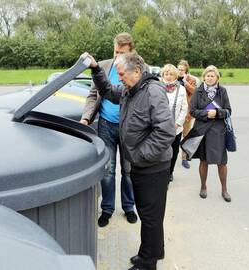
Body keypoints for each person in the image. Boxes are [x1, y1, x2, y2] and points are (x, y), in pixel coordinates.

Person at [87, 52, 175, 270]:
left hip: (153, 166)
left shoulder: (152, 91)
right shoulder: (129, 90)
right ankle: (154, 251)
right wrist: (97, 69)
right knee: (150, 214)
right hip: (143, 164)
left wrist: (138, 155)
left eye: (121, 74)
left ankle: (147, 263)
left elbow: (166, 132)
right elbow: (107, 91)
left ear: (136, 72)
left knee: (150, 215)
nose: (120, 79)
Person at [80, 32, 137, 227]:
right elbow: (92, 95)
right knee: (108, 171)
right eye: (115, 51)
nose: (116, 56)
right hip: (106, 125)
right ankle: (107, 209)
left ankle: (129, 207)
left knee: (129, 171)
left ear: (131, 52)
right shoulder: (103, 66)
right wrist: (86, 117)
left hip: (128, 128)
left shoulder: (138, 69)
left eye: (121, 53)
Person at [187, 65, 232, 202]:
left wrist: (217, 113)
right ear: (204, 77)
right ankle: (203, 187)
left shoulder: (222, 91)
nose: (210, 78)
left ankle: (224, 189)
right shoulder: (198, 91)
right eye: (207, 75)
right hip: (203, 131)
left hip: (219, 132)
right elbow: (193, 111)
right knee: (204, 161)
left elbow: (229, 111)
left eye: (212, 76)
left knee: (222, 162)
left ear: (217, 77)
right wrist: (207, 114)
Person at [160, 64, 188, 182]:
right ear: (163, 75)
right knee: (161, 152)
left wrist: (178, 123)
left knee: (174, 151)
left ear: (175, 75)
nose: (169, 76)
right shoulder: (158, 87)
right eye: (166, 74)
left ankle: (170, 172)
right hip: (160, 128)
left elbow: (184, 108)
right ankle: (161, 172)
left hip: (176, 128)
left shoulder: (181, 89)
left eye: (171, 74)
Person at [177, 60, 200, 169]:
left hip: (186, 113)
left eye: (182, 70)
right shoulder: (173, 77)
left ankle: (184, 158)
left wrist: (185, 82)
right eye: (179, 69)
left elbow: (195, 92)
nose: (180, 71)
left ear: (186, 71)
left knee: (186, 136)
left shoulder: (191, 80)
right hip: (174, 112)